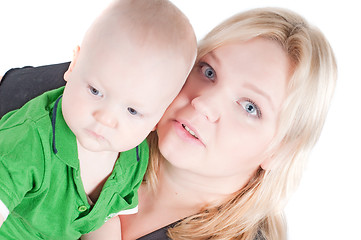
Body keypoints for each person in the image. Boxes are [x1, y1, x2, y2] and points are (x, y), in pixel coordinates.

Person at [0, 7, 337, 240]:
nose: (203, 103)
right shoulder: (98, 92)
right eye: (207, 71)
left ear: (280, 150)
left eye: (250, 107)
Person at [0, 0, 196, 239]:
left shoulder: (133, 158)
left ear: (158, 117)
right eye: (95, 91)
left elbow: (104, 218)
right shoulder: (29, 139)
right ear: (74, 64)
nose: (105, 118)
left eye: (133, 111)